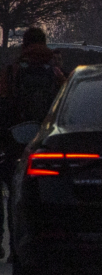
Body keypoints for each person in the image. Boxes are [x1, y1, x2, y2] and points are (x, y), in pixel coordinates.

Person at [0, 26, 66, 260]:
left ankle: (14, 246)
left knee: (13, 194)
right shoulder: (56, 73)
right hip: (48, 144)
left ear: (24, 45)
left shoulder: (12, 72)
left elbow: (3, 104)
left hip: (16, 142)